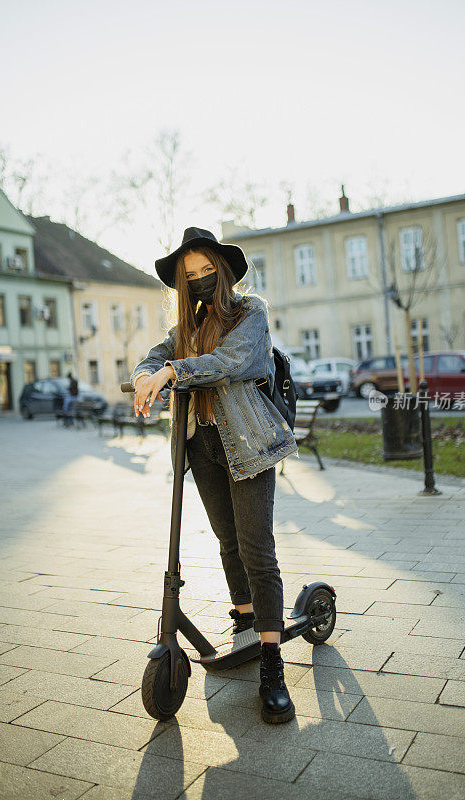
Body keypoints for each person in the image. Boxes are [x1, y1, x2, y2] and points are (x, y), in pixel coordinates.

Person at [130, 226, 299, 724]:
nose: (202, 282)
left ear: (223, 272)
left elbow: (234, 361)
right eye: (191, 276)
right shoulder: (187, 328)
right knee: (227, 541)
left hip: (246, 440)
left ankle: (272, 662)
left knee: (256, 549)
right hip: (201, 444)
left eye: (207, 272)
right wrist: (147, 373)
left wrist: (172, 373)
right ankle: (244, 620)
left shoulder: (251, 311)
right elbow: (155, 357)